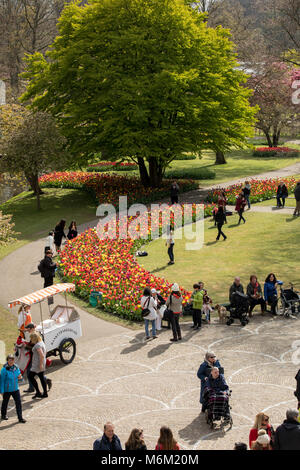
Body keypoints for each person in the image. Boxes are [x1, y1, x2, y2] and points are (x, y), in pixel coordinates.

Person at [22, 323, 52, 393]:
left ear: (32, 328)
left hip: (36, 357)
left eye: (28, 329)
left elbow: (35, 347)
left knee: (31, 372)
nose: (27, 330)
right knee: (35, 373)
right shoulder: (33, 334)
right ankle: (33, 387)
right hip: (33, 356)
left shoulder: (36, 335)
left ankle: (33, 388)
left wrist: (25, 346)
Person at [0, 354, 26, 423]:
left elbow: (19, 378)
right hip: (7, 390)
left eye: (12, 360)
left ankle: (20, 418)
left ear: (14, 360)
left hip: (15, 389)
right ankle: (3, 415)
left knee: (18, 403)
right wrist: (1, 391)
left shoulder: (16, 367)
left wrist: (21, 378)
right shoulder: (4, 370)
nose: (11, 361)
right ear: (7, 360)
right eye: (9, 360)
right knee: (5, 403)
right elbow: (1, 381)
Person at [28, 332, 48, 399]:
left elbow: (41, 355)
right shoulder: (41, 342)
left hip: (37, 364)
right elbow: (45, 353)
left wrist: (40, 365)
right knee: (41, 378)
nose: (31, 340)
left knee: (30, 376)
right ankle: (44, 393)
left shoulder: (37, 345)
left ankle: (38, 392)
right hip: (41, 363)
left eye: (31, 338)